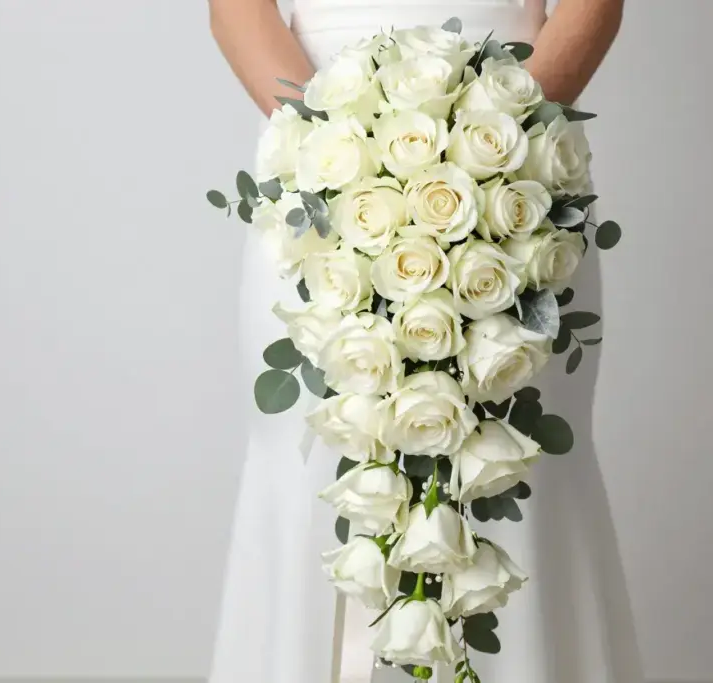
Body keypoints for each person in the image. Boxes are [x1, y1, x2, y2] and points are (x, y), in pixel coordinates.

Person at [207, 0, 640, 680]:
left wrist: (509, 137)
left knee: (522, 473)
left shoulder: (517, 150)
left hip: (520, 176)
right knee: (310, 474)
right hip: (319, 172)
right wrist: (338, 153)